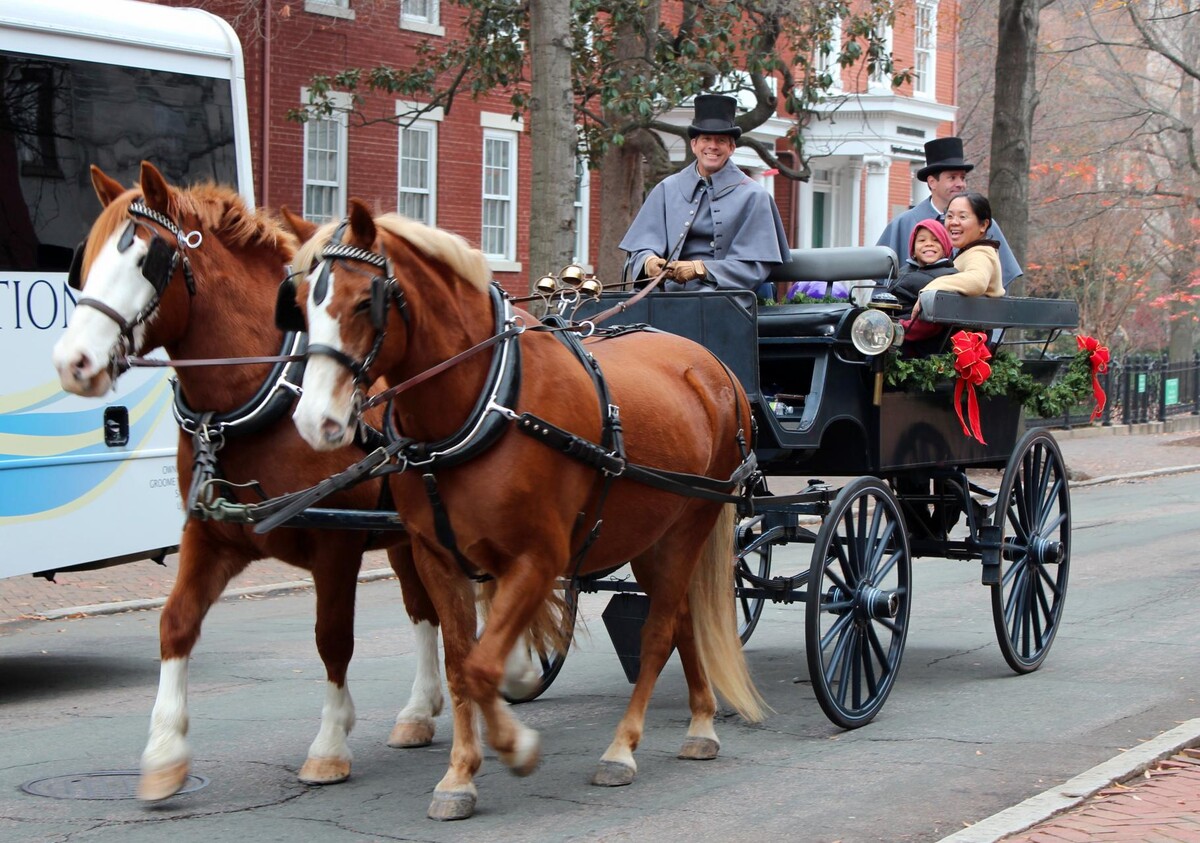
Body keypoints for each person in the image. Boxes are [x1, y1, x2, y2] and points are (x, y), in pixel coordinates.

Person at [620, 94, 791, 293]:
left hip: (723, 299)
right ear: (694, 145)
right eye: (706, 139)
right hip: (663, 296)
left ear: (732, 147)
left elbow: (754, 266)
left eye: (721, 140)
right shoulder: (667, 188)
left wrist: (701, 269)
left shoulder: (754, 197)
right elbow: (641, 247)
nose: (713, 146)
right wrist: (648, 261)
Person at [875, 137, 1022, 288]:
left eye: (963, 178)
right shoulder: (904, 224)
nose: (960, 184)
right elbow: (883, 285)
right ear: (932, 182)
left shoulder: (982, 223)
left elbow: (1000, 282)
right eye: (952, 178)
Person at [902, 193, 1004, 353]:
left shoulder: (981, 253)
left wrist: (930, 290)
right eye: (949, 216)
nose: (954, 222)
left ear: (983, 225)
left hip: (957, 349)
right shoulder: (966, 252)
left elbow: (977, 281)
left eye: (962, 217)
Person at [889, 218, 957, 318]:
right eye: (922, 240)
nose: (929, 244)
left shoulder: (950, 275)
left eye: (936, 240)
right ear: (913, 250)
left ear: (945, 249)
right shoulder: (902, 271)